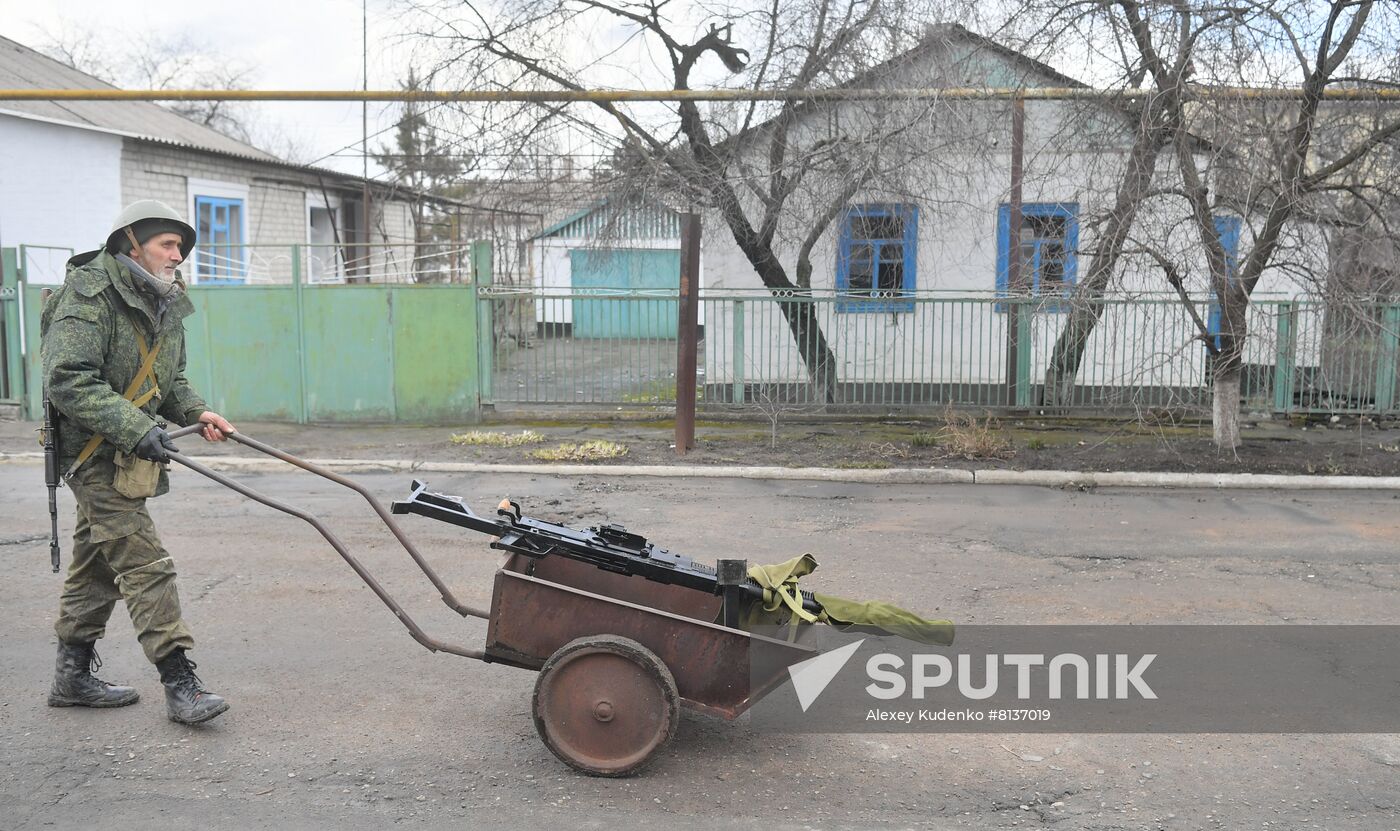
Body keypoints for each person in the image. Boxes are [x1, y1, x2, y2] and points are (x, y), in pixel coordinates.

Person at [41, 200, 237, 725]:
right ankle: (181, 684)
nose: (178, 255)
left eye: (180, 246)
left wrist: (198, 412)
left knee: (97, 566)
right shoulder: (89, 296)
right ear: (132, 244)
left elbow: (167, 380)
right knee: (146, 564)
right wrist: (136, 427)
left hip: (127, 452)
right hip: (93, 455)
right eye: (167, 245)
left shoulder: (163, 300)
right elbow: (68, 379)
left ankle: (72, 676)